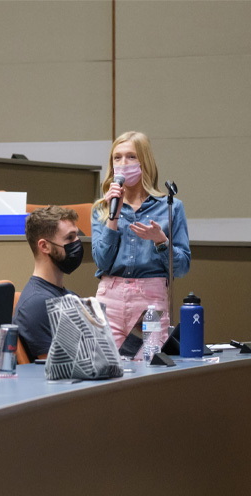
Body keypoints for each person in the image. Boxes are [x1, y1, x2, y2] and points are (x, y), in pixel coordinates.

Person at [92, 131, 190, 348]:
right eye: (117, 158)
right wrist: (113, 218)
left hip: (151, 301)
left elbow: (181, 268)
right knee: (104, 366)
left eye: (131, 157)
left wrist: (161, 242)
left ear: (144, 162)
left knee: (150, 366)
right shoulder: (102, 208)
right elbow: (101, 262)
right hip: (110, 298)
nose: (123, 163)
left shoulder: (170, 206)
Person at [13, 206, 81, 359]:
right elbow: (58, 368)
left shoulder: (71, 297)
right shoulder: (36, 304)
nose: (77, 243)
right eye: (70, 238)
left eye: (77, 236)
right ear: (44, 246)